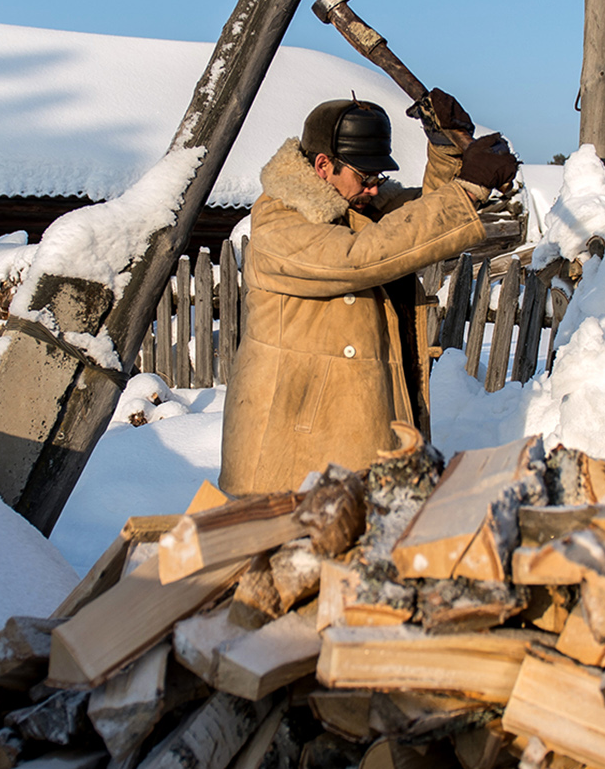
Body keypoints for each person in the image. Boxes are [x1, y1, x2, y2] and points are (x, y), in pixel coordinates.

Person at [219, 91, 519, 495]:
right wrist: (467, 190)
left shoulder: (357, 205)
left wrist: (447, 149)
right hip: (289, 451)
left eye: (379, 179)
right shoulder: (278, 221)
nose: (376, 190)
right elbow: (362, 256)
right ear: (324, 166)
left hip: (354, 436)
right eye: (366, 177)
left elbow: (418, 216)